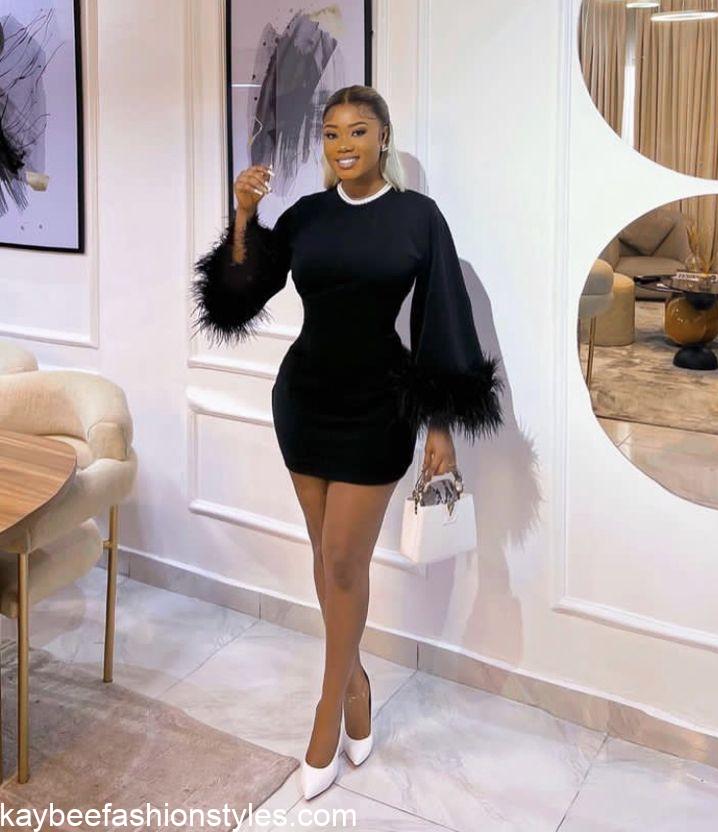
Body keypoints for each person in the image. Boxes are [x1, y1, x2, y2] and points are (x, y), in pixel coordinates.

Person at [191, 84, 504, 800]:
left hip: (378, 409)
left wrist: (440, 423)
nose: (343, 145)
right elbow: (239, 294)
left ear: (383, 137)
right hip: (304, 401)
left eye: (358, 131)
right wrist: (244, 216)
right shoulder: (306, 215)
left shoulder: (418, 218)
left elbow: (442, 318)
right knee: (325, 557)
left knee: (341, 561)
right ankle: (356, 681)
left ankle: (328, 711)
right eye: (331, 134)